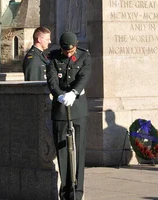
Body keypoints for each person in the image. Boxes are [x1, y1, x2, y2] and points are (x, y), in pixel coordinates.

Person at [46, 31, 91, 200]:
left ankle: (77, 193)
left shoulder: (84, 57)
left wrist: (74, 92)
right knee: (62, 152)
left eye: (71, 51)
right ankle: (65, 193)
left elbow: (83, 77)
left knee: (78, 151)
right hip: (60, 108)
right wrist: (59, 95)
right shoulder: (53, 57)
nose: (68, 54)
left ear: (76, 46)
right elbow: (51, 79)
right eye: (65, 51)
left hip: (77, 106)